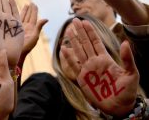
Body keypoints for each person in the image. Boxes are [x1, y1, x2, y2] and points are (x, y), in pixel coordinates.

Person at [13, 14, 145, 120]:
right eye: (68, 42)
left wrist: (126, 111)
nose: (78, 50)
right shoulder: (44, 86)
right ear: (58, 55)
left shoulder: (136, 93)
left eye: (86, 41)